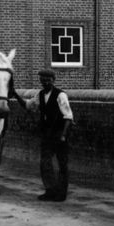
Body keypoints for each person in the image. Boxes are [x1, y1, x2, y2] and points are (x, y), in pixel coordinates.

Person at [26, 69, 74, 202]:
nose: (45, 82)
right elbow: (29, 106)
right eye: (43, 80)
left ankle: (61, 193)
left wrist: (63, 135)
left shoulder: (60, 95)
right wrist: (14, 95)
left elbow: (68, 116)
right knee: (45, 163)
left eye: (48, 79)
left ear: (53, 80)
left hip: (59, 133)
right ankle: (50, 190)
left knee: (62, 164)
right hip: (47, 134)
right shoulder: (40, 95)